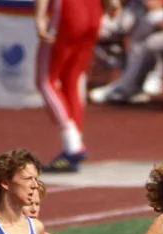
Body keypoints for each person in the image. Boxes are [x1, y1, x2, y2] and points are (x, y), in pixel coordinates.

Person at [34, 0, 121, 172]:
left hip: (69, 11)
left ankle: (72, 143)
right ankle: (73, 145)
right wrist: (113, 3)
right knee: (71, 80)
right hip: (92, 13)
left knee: (46, 80)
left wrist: (39, 17)